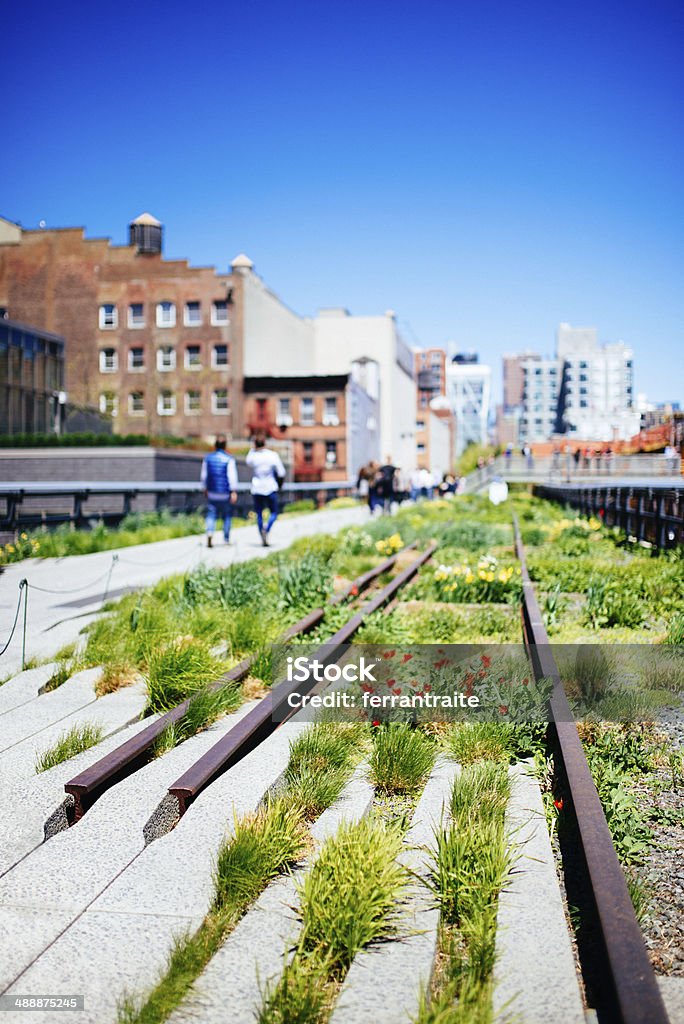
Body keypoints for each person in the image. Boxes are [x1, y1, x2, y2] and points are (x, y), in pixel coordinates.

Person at [246, 433, 286, 546]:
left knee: (259, 513)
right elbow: (282, 472)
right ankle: (266, 529)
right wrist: (280, 485)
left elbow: (247, 461)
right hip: (270, 487)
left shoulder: (253, 456)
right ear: (265, 443)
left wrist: (252, 449)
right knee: (274, 512)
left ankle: (261, 533)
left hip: (257, 488)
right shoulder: (272, 455)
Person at [201, 435, 238, 548]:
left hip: (212, 491)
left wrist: (205, 488)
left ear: (215, 445)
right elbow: (232, 476)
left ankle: (210, 532)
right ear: (225, 445)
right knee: (226, 515)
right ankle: (226, 539)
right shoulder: (229, 459)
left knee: (211, 514)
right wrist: (233, 491)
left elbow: (204, 475)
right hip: (225, 492)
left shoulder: (208, 458)